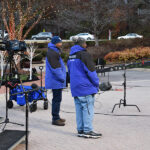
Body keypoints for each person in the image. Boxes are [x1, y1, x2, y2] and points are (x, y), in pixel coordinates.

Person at [67, 38, 102, 138]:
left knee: (79, 109)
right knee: (87, 108)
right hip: (85, 87)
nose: (86, 44)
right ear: (82, 44)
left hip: (75, 87)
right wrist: (96, 84)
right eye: (85, 43)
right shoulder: (84, 55)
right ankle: (87, 130)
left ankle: (81, 129)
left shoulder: (70, 56)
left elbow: (69, 72)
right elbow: (91, 71)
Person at [45, 36, 66, 126]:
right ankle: (55, 118)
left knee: (57, 99)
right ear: (55, 43)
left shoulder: (54, 51)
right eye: (60, 42)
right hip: (56, 80)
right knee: (56, 99)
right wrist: (63, 78)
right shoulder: (52, 53)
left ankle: (56, 116)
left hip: (56, 80)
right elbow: (56, 68)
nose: (61, 44)